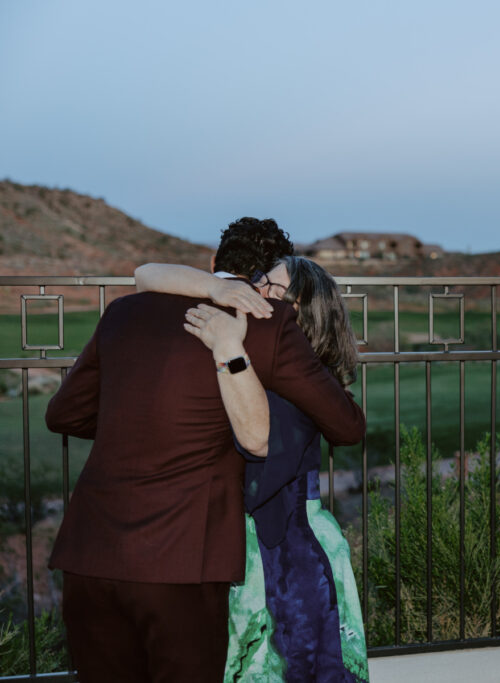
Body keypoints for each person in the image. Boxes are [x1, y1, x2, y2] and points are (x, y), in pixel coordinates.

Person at [45, 218, 366, 683]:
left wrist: (140, 420)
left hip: (89, 556)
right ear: (261, 280)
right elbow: (346, 425)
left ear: (215, 265)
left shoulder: (124, 312)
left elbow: (64, 415)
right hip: (182, 566)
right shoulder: (267, 323)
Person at [137, 256, 368, 682]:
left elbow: (263, 464)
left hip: (290, 559)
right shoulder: (243, 342)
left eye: (273, 290)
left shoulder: (299, 386)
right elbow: (145, 274)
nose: (257, 292)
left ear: (303, 314)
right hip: (248, 550)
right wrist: (216, 288)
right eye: (260, 280)